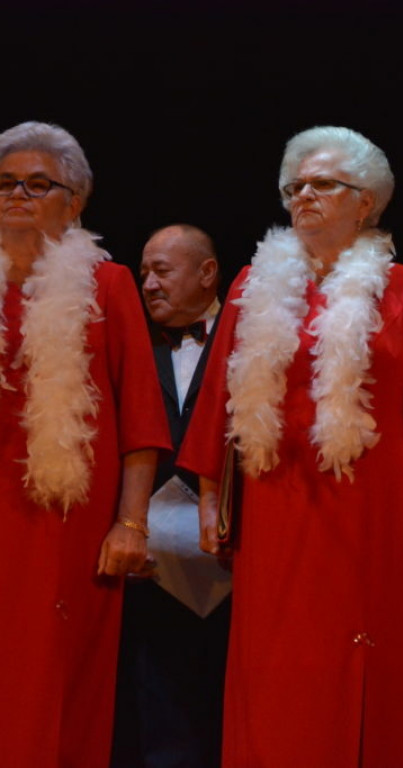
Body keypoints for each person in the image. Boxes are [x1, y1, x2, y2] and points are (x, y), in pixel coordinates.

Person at [177, 125, 403, 767]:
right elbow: (216, 399)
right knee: (273, 665)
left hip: (372, 509)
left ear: (366, 202)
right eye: (294, 186)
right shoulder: (252, 283)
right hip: (275, 501)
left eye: (322, 184)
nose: (302, 195)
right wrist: (211, 499)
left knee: (360, 659)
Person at [0, 121, 169, 768]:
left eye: (37, 184)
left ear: (75, 203)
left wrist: (131, 522)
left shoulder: (108, 283)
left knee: (57, 682)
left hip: (70, 520)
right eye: (5, 182)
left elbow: (142, 418)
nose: (17, 194)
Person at [111, 224, 230, 768]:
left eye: (161, 271)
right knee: (161, 718)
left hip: (236, 559)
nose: (148, 284)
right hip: (152, 566)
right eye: (143, 274)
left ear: (208, 273)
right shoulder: (128, 340)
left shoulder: (257, 335)